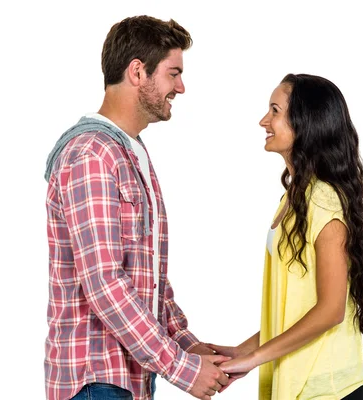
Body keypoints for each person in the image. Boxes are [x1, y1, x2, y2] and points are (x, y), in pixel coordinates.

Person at [43, 16, 228, 400]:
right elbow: (105, 284)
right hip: (95, 381)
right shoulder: (91, 155)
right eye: (173, 73)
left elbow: (148, 280)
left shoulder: (129, 152)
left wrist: (188, 346)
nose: (181, 87)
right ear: (138, 72)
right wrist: (182, 368)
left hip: (128, 381)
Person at [208, 74, 363, 400]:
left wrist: (257, 358)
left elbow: (330, 310)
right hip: (301, 384)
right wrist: (241, 353)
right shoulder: (294, 198)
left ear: (306, 123)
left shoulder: (323, 201)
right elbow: (294, 310)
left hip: (328, 388)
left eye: (275, 111)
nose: (263, 121)